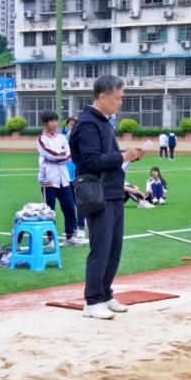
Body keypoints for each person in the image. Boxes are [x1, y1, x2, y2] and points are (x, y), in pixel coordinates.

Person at [70, 75, 145, 319]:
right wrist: (123, 156)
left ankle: (104, 293)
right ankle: (92, 301)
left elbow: (107, 157)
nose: (120, 102)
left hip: (112, 192)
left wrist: (129, 156)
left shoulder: (103, 122)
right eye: (117, 98)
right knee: (100, 248)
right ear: (102, 96)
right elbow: (91, 161)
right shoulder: (87, 124)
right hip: (97, 193)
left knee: (114, 247)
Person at [37, 110, 84, 246]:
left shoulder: (62, 138)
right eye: (51, 121)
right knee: (49, 211)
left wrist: (60, 156)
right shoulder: (41, 139)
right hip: (48, 180)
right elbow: (50, 155)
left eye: (56, 120)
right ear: (45, 123)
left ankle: (70, 236)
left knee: (69, 208)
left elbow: (68, 154)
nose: (54, 123)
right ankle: (50, 238)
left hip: (64, 179)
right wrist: (62, 156)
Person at [64, 117, 87, 239]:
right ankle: (72, 227)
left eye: (75, 125)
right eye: (70, 125)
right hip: (66, 176)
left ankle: (81, 226)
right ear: (67, 126)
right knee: (69, 204)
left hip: (79, 174)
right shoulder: (62, 139)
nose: (72, 127)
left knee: (80, 202)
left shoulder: (81, 139)